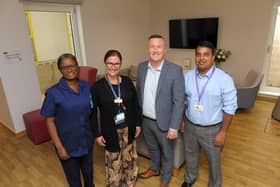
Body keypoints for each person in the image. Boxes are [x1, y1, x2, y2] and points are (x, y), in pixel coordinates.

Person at [181, 41, 237, 187]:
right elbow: (184, 101)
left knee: (213, 160)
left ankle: (215, 184)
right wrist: (182, 121)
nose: (201, 58)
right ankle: (189, 178)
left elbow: (230, 108)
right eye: (198, 54)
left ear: (213, 57)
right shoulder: (187, 77)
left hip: (212, 129)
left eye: (206, 54)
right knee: (190, 155)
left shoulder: (224, 79)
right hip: (190, 125)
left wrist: (223, 132)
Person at [137, 34, 185, 187]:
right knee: (152, 148)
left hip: (165, 123)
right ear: (147, 49)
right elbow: (139, 93)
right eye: (152, 46)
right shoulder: (142, 67)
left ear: (164, 50)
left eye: (159, 47)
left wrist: (174, 126)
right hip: (145, 120)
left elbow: (179, 101)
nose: (155, 50)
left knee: (167, 152)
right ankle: (154, 169)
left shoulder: (175, 70)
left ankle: (165, 179)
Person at [41, 53, 95, 187]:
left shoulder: (87, 86)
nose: (69, 70)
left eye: (72, 65)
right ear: (60, 70)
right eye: (64, 67)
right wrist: (59, 147)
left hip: (86, 141)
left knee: (89, 176)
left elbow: (92, 111)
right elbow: (49, 121)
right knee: (74, 181)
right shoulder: (53, 93)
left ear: (77, 66)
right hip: (67, 145)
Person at [91, 49, 142, 187]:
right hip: (110, 130)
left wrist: (138, 124)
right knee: (114, 159)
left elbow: (135, 104)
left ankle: (130, 182)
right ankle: (115, 183)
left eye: (116, 64)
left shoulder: (127, 82)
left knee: (129, 157)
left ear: (120, 64)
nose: (113, 67)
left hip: (128, 127)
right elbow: (93, 113)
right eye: (110, 63)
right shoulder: (97, 87)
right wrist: (96, 134)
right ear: (105, 63)